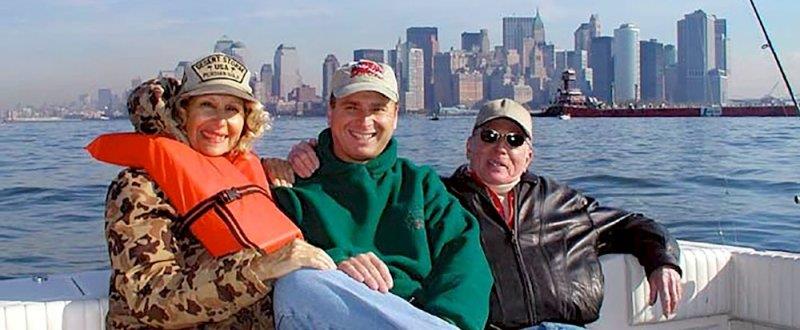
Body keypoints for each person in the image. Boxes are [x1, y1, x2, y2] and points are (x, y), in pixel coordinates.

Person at [283, 98, 683, 329]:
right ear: (469, 147)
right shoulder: (438, 198)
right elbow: (368, 187)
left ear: (529, 155)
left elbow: (636, 226)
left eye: (514, 140)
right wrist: (316, 155)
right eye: (489, 137)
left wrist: (663, 261)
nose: (500, 148)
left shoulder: (565, 205)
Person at [95, 53, 336, 329]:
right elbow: (150, 298)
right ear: (183, 113)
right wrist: (262, 267)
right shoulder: (138, 188)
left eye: (232, 109)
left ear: (247, 119)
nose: (220, 121)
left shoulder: (250, 173)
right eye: (207, 105)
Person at [268, 60, 494, 330]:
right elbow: (277, 258)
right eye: (352, 107)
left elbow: (464, 263)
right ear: (330, 111)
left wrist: (447, 320)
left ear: (395, 115)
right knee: (299, 283)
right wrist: (336, 263)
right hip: (333, 317)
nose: (365, 121)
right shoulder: (294, 186)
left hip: (418, 315)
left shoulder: (421, 185)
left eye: (378, 109)